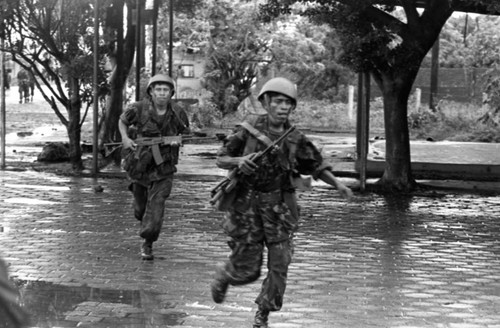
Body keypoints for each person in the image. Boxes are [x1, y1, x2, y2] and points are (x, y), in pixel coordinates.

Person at [210, 77, 353, 328]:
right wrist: (238, 161)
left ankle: (263, 313)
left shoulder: (295, 138)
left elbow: (316, 166)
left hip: (279, 209)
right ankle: (225, 276)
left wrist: (338, 184)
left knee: (280, 263)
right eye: (278, 101)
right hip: (247, 208)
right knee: (248, 270)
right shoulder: (248, 128)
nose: (283, 107)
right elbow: (221, 158)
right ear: (266, 102)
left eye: (288, 102)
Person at [118, 73, 190, 260]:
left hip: (163, 168)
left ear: (171, 92)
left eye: (165, 90)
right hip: (140, 166)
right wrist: (126, 139)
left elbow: (187, 135)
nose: (162, 93)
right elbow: (122, 121)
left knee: (156, 207)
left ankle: (148, 242)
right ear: (151, 91)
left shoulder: (178, 113)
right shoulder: (138, 109)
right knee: (141, 210)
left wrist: (177, 141)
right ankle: (140, 208)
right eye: (158, 89)